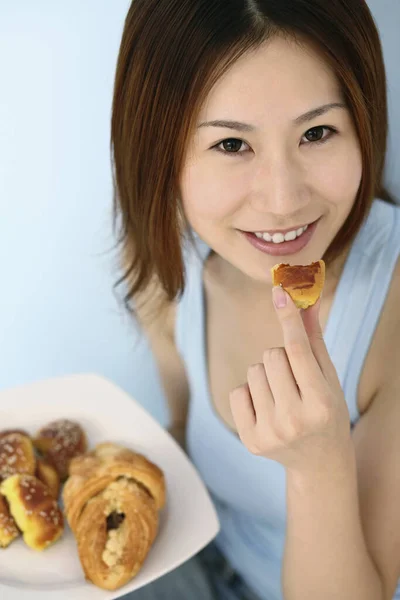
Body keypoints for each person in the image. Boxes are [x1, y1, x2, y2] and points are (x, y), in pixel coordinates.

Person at [111, 1, 400, 598]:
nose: (282, 200)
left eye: (317, 132)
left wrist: (319, 465)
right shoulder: (176, 266)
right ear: (159, 153)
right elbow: (191, 448)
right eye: (231, 146)